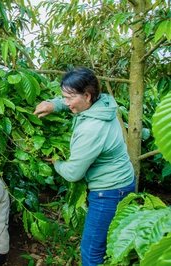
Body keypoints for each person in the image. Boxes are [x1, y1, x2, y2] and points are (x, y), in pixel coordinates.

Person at [33, 67, 135, 266]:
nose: (66, 102)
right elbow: (72, 104)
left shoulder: (91, 129)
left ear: (87, 96)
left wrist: (57, 163)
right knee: (109, 246)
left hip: (109, 192)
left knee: (91, 253)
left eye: (69, 98)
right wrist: (53, 105)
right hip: (123, 181)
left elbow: (73, 173)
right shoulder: (104, 102)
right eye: (64, 97)